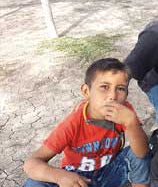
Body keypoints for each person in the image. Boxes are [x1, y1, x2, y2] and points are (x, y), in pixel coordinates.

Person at [23, 58, 151, 187]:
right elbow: (32, 162)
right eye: (104, 87)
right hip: (78, 179)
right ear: (86, 91)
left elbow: (142, 153)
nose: (112, 96)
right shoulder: (73, 122)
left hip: (111, 171)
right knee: (34, 183)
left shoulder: (124, 112)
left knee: (141, 152)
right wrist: (59, 176)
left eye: (121, 88)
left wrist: (131, 123)